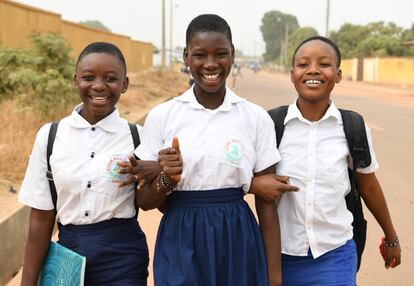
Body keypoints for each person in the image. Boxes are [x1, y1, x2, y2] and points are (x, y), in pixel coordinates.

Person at [131, 14, 297, 286]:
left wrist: (274, 278)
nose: (210, 64)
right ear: (186, 57)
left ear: (232, 56)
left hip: (237, 234)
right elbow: (144, 202)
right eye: (199, 55)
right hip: (180, 234)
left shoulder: (254, 117)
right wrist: (166, 179)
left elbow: (267, 201)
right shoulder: (163, 116)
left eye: (220, 54)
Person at [18, 42, 158, 286]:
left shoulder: (139, 137)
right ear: (75, 81)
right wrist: (28, 283)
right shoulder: (51, 136)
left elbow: (150, 201)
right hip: (68, 257)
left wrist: (160, 172)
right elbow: (41, 218)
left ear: (125, 84)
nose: (99, 85)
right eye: (88, 77)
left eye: (111, 78)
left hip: (124, 260)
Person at [272, 36, 401, 285]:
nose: (313, 70)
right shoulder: (272, 125)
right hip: (279, 254)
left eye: (324, 64)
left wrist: (391, 237)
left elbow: (369, 186)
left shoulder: (352, 127)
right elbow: (250, 179)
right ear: (292, 74)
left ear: (338, 75)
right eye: (303, 64)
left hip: (334, 254)